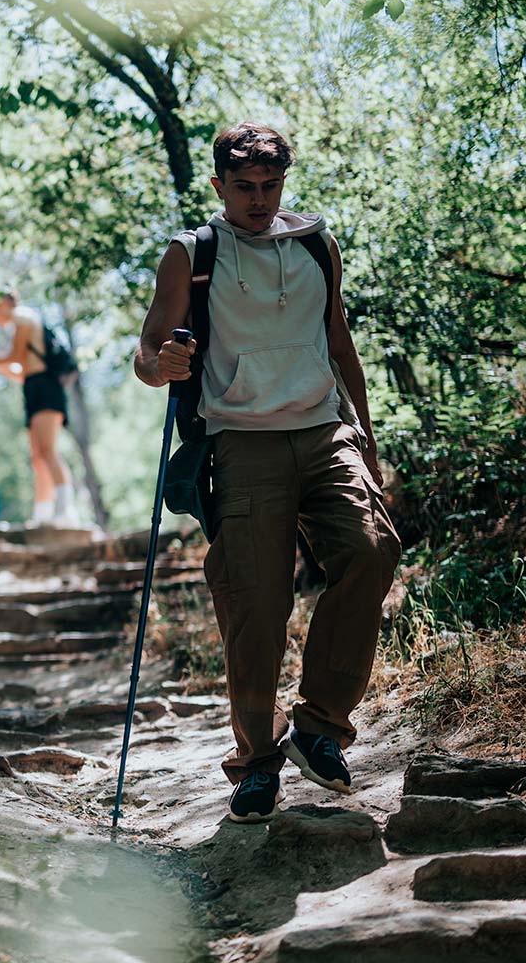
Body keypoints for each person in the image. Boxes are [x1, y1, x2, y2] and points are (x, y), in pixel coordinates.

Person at [134, 122, 401, 823]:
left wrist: (365, 437)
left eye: (271, 186)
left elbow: (339, 341)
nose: (259, 200)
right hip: (241, 440)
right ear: (219, 185)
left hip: (323, 429)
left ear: (285, 181)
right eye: (245, 187)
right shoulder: (192, 253)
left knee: (373, 549)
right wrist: (160, 363)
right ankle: (257, 762)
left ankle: (319, 726)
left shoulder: (315, 243)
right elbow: (146, 348)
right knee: (255, 606)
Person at [0, 290, 75, 525]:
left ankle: (66, 510)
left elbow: (14, 356)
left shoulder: (23, 315)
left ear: (2, 303)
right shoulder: (20, 321)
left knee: (48, 450)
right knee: (37, 456)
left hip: (46, 388)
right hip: (33, 387)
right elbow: (21, 370)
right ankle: (42, 514)